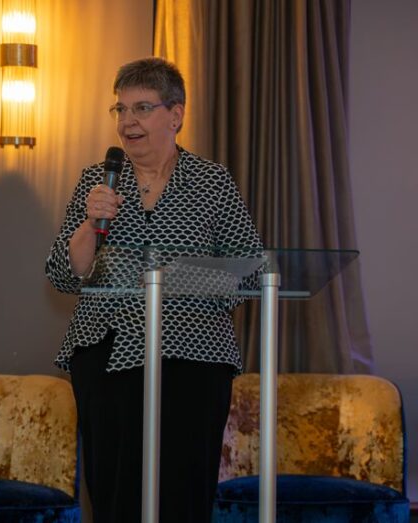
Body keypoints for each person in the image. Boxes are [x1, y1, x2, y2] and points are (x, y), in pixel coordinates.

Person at [45, 57, 262, 523]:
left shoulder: (212, 181)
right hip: (107, 351)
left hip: (194, 355)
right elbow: (65, 274)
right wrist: (91, 221)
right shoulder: (95, 180)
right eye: (120, 110)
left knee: (183, 486)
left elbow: (249, 269)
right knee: (114, 484)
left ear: (176, 115)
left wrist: (175, 278)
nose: (127, 122)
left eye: (141, 108)